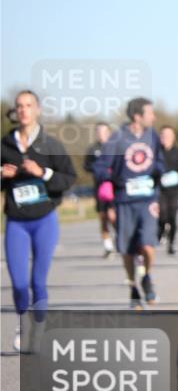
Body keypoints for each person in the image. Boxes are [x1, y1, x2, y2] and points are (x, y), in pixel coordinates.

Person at [1, 91, 76, 352]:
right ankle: (24, 324)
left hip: (44, 220)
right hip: (16, 222)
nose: (23, 110)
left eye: (28, 106)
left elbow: (69, 178)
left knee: (37, 282)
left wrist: (43, 172)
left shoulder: (50, 145)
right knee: (19, 283)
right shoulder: (5, 145)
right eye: (19, 106)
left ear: (38, 110)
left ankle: (40, 326)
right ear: (15, 111)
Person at [94, 97, 166, 308]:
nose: (154, 117)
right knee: (127, 250)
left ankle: (147, 277)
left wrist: (158, 172)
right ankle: (133, 287)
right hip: (125, 201)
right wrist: (107, 181)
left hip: (148, 200)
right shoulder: (117, 139)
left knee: (148, 245)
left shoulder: (153, 136)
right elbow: (101, 166)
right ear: (137, 116)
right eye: (150, 113)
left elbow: (160, 161)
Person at [83, 121, 115, 256]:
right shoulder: (93, 149)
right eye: (99, 131)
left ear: (109, 132)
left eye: (104, 131)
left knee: (113, 216)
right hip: (100, 188)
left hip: (115, 187)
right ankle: (108, 246)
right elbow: (86, 166)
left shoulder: (116, 147)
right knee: (103, 217)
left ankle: (122, 239)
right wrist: (98, 168)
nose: (101, 134)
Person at [157, 125, 178, 255]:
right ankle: (161, 231)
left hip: (175, 190)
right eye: (163, 136)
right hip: (160, 189)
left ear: (173, 137)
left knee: (172, 217)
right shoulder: (156, 152)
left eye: (168, 136)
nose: (166, 138)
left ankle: (171, 244)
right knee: (162, 215)